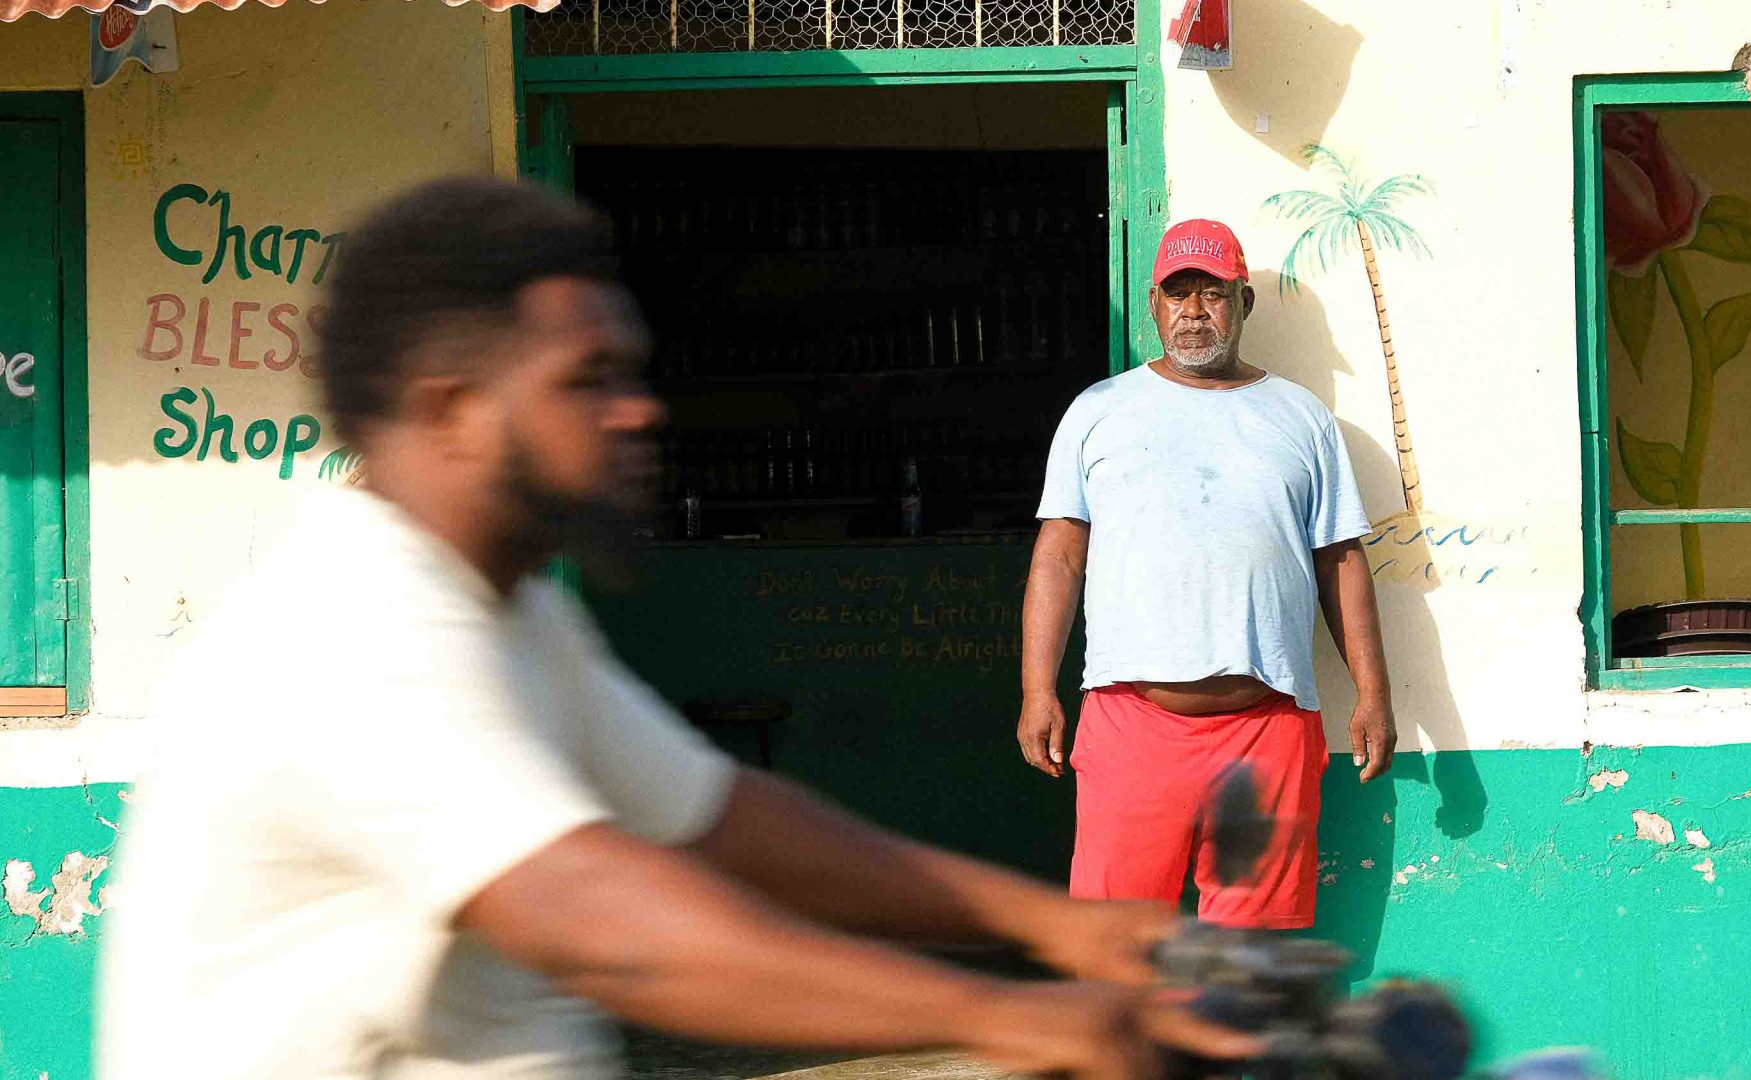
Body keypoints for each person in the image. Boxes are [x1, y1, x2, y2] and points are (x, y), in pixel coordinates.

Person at [95, 180, 1260, 1080]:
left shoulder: (516, 605)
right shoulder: (351, 626)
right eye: (587, 379)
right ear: (452, 411)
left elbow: (716, 816)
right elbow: (604, 926)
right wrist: (1006, 1014)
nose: (641, 407)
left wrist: (1070, 930)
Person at [1017, 218, 1394, 930]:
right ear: (1153, 303)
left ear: (1243, 303)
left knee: (1253, 958)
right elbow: (1059, 557)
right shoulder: (1099, 412)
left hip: (1269, 727)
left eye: (1212, 292)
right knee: (1117, 944)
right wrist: (1039, 690)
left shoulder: (1302, 418)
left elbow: (1339, 559)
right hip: (1133, 724)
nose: (1194, 310)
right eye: (1177, 292)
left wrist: (1374, 693)